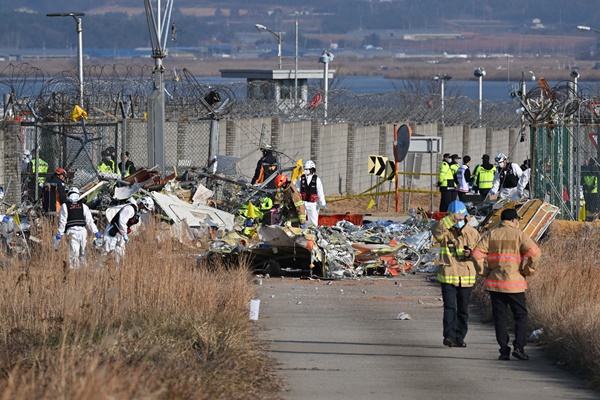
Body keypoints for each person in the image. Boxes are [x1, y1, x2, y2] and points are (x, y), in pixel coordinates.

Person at [472, 208, 541, 361]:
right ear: (513, 220)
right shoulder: (519, 235)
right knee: (521, 315)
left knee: (500, 318)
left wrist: (484, 271)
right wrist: (527, 270)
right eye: (517, 220)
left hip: (495, 283)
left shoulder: (492, 234)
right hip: (515, 283)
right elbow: (535, 253)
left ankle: (504, 350)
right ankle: (519, 347)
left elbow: (476, 254)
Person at [431, 200, 481, 348]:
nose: (458, 222)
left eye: (460, 218)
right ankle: (449, 336)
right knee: (449, 307)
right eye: (455, 219)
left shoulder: (473, 234)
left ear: (466, 218)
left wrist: (472, 253)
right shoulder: (445, 233)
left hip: (466, 278)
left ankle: (460, 337)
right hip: (448, 276)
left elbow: (481, 252)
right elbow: (435, 231)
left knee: (463, 310)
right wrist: (452, 219)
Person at [55, 187, 101, 269]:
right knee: (80, 253)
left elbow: (62, 222)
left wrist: (60, 233)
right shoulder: (82, 206)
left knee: (76, 253)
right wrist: (95, 231)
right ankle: (78, 273)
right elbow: (90, 221)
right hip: (78, 231)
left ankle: (79, 273)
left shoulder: (65, 206)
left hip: (74, 231)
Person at [103, 196, 154, 262]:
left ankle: (119, 271)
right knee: (107, 253)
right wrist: (124, 233)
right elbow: (122, 221)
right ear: (142, 204)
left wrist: (124, 234)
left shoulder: (136, 212)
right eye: (145, 208)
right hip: (113, 232)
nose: (145, 210)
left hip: (120, 235)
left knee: (121, 256)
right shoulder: (130, 209)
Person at [296, 160, 327, 226]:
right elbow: (297, 190)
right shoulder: (301, 179)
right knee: (301, 221)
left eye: (308, 169)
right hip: (303, 203)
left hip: (313, 204)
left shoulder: (317, 180)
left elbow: (320, 192)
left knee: (313, 222)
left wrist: (323, 203)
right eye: (305, 169)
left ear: (312, 169)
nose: (306, 171)